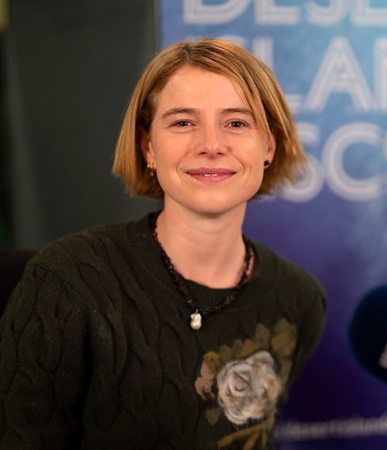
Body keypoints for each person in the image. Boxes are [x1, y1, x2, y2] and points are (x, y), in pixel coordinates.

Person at [0, 38, 326, 450]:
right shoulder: (66, 282)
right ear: (148, 147)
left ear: (268, 147)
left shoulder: (299, 298)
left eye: (237, 123)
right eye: (183, 122)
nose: (211, 144)